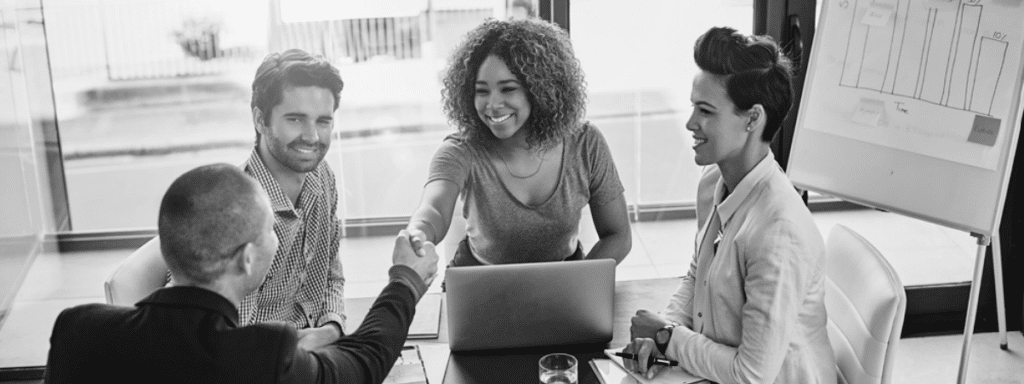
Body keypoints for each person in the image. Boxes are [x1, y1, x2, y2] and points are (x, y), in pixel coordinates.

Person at [44, 164, 439, 383]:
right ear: (247, 259)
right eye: (270, 230)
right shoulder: (259, 355)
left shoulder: (77, 330)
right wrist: (405, 280)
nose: (276, 237)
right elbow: (362, 365)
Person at [622, 27, 837, 383]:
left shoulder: (779, 231)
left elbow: (751, 375)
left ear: (753, 119)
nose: (691, 123)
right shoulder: (713, 181)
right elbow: (697, 276)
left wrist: (667, 337)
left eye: (705, 111)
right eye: (694, 107)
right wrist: (661, 332)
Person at [137, 49, 349, 349]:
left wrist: (330, 329)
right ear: (260, 120)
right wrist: (283, 351)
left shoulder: (321, 177)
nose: (313, 136)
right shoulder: (228, 209)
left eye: (323, 121)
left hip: (312, 348)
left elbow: (331, 275)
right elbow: (208, 335)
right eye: (296, 119)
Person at [406, 18, 631, 268]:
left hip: (566, 275)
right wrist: (419, 231)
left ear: (540, 89)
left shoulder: (585, 143)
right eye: (482, 91)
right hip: (481, 281)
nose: (492, 104)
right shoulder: (459, 151)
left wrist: (578, 279)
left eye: (508, 89)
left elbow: (618, 234)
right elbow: (434, 208)